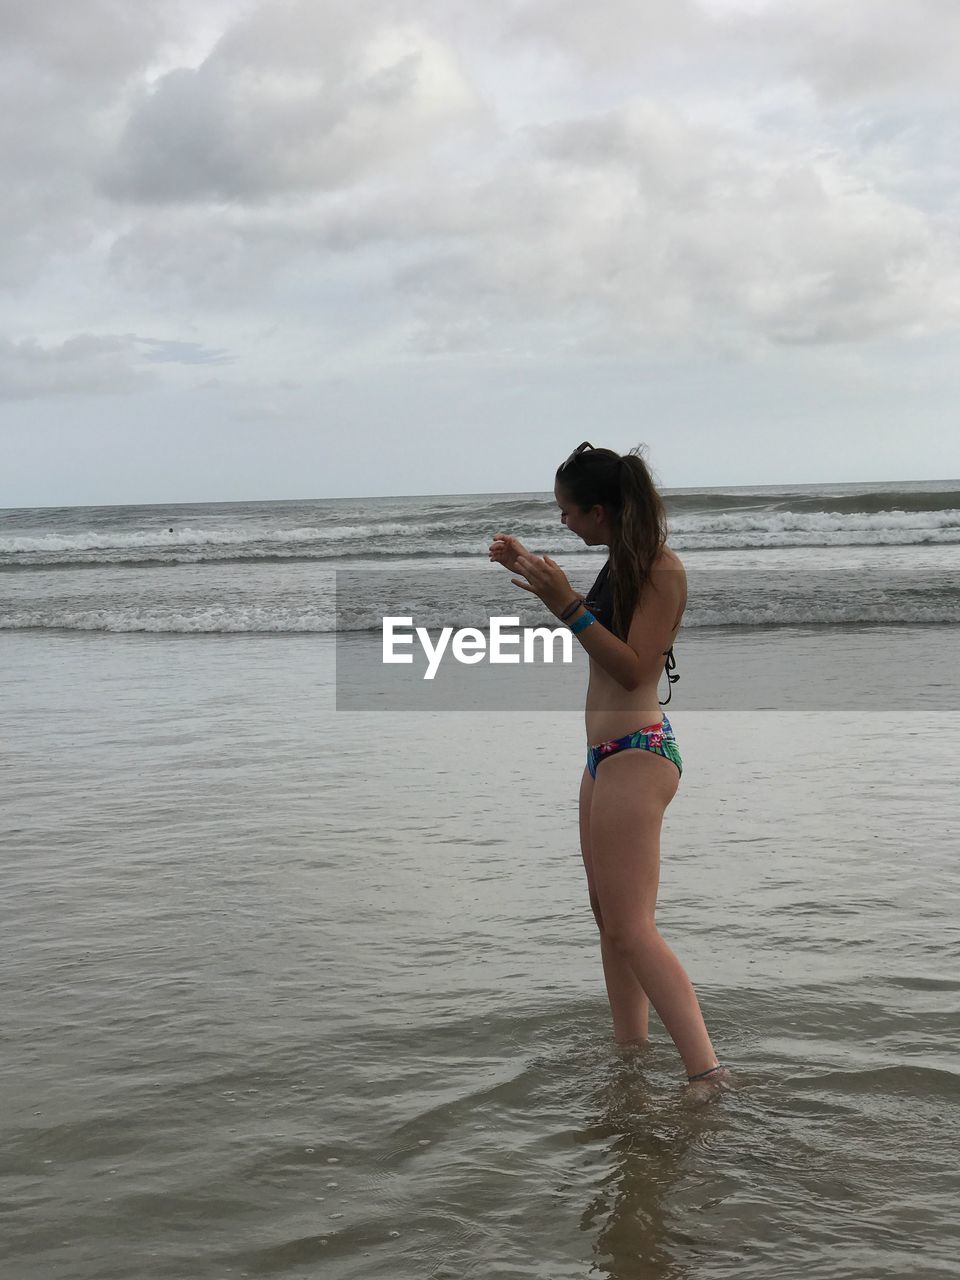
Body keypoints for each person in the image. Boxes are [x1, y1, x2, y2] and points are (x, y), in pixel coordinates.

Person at [489, 442, 727, 1087]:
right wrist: (538, 572)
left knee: (631, 925)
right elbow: (597, 628)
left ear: (599, 510)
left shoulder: (660, 570)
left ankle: (708, 1075)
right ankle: (631, 1050)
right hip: (603, 759)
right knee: (608, 917)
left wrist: (563, 603)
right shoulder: (619, 564)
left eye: (568, 512)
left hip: (640, 754)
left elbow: (633, 668)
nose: (563, 521)